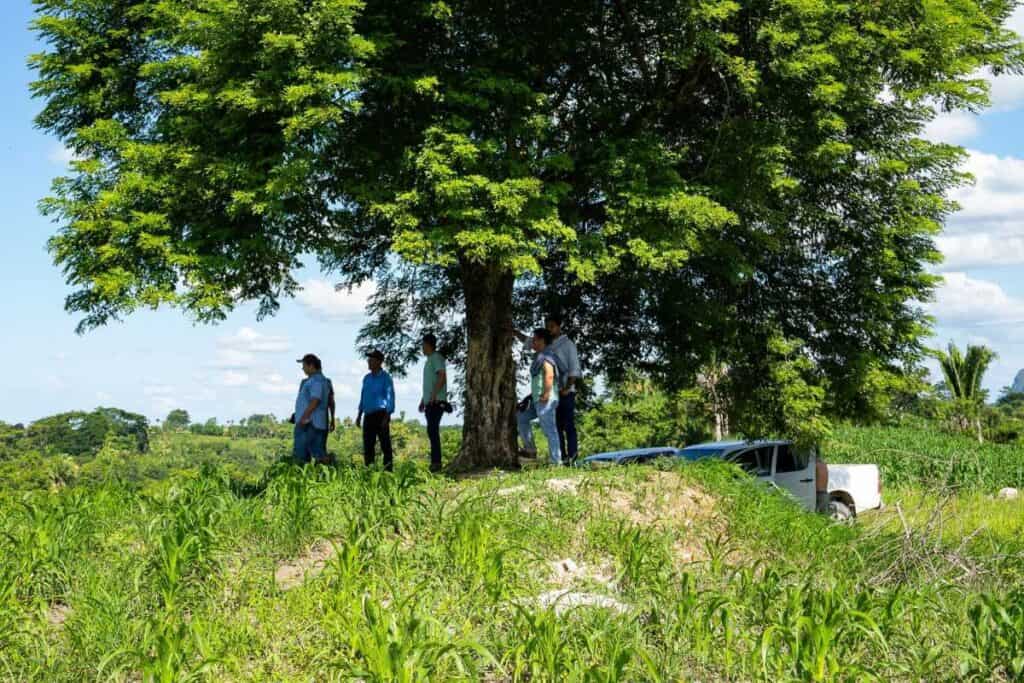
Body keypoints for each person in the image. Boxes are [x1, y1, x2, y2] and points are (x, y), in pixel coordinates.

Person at [516, 329, 561, 465]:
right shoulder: (539, 355)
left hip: (546, 399)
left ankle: (556, 462)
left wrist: (546, 393)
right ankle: (530, 450)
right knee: (520, 417)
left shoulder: (547, 355)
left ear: (542, 341)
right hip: (537, 399)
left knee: (549, 429)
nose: (532, 343)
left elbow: (549, 374)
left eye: (534, 340)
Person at [545, 315, 581, 466]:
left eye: (552, 326)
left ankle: (572, 458)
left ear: (559, 327)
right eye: (547, 326)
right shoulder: (548, 345)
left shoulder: (568, 344)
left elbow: (574, 368)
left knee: (569, 426)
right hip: (553, 391)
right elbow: (529, 341)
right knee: (556, 426)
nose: (549, 329)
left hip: (566, 391)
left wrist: (567, 388)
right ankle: (562, 457)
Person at [357, 349, 396, 471]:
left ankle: (388, 471)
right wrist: (359, 414)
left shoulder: (385, 378)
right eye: (369, 359)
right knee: (368, 445)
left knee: (385, 445)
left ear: (379, 362)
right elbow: (363, 396)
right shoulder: (367, 378)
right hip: (368, 415)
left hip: (381, 415)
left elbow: (390, 397)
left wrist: (387, 416)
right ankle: (369, 471)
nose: (369, 362)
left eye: (371, 359)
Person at [292, 354, 330, 464]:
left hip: (310, 423)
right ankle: (328, 473)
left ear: (311, 366)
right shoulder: (320, 380)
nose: (303, 368)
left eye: (304, 365)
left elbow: (315, 400)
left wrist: (304, 417)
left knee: (301, 454)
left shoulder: (316, 381)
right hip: (314, 422)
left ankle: (302, 477)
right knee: (317, 452)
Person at [418, 333, 448, 473]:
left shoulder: (436, 357)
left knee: (433, 430)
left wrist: (434, 396)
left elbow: (442, 376)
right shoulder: (430, 359)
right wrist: (423, 400)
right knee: (431, 431)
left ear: (429, 345)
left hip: (436, 402)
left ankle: (436, 463)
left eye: (423, 345)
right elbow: (429, 383)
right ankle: (435, 462)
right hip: (430, 401)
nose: (422, 348)